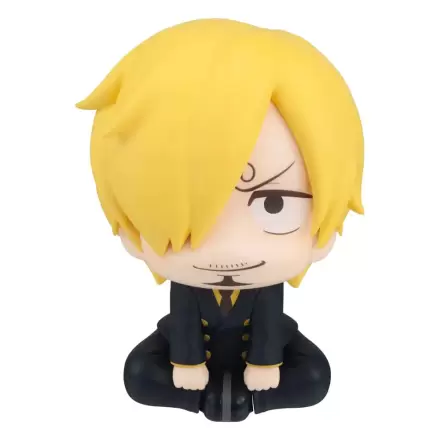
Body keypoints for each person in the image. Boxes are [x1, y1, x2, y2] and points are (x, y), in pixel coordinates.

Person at [77, 18, 364, 421]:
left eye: (275, 204)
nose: (228, 251)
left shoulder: (265, 284)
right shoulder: (187, 284)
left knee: (315, 377)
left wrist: (265, 363)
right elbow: (183, 314)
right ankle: (208, 400)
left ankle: (248, 401)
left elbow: (269, 316)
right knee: (139, 374)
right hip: (189, 358)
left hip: (264, 357)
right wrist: (187, 362)